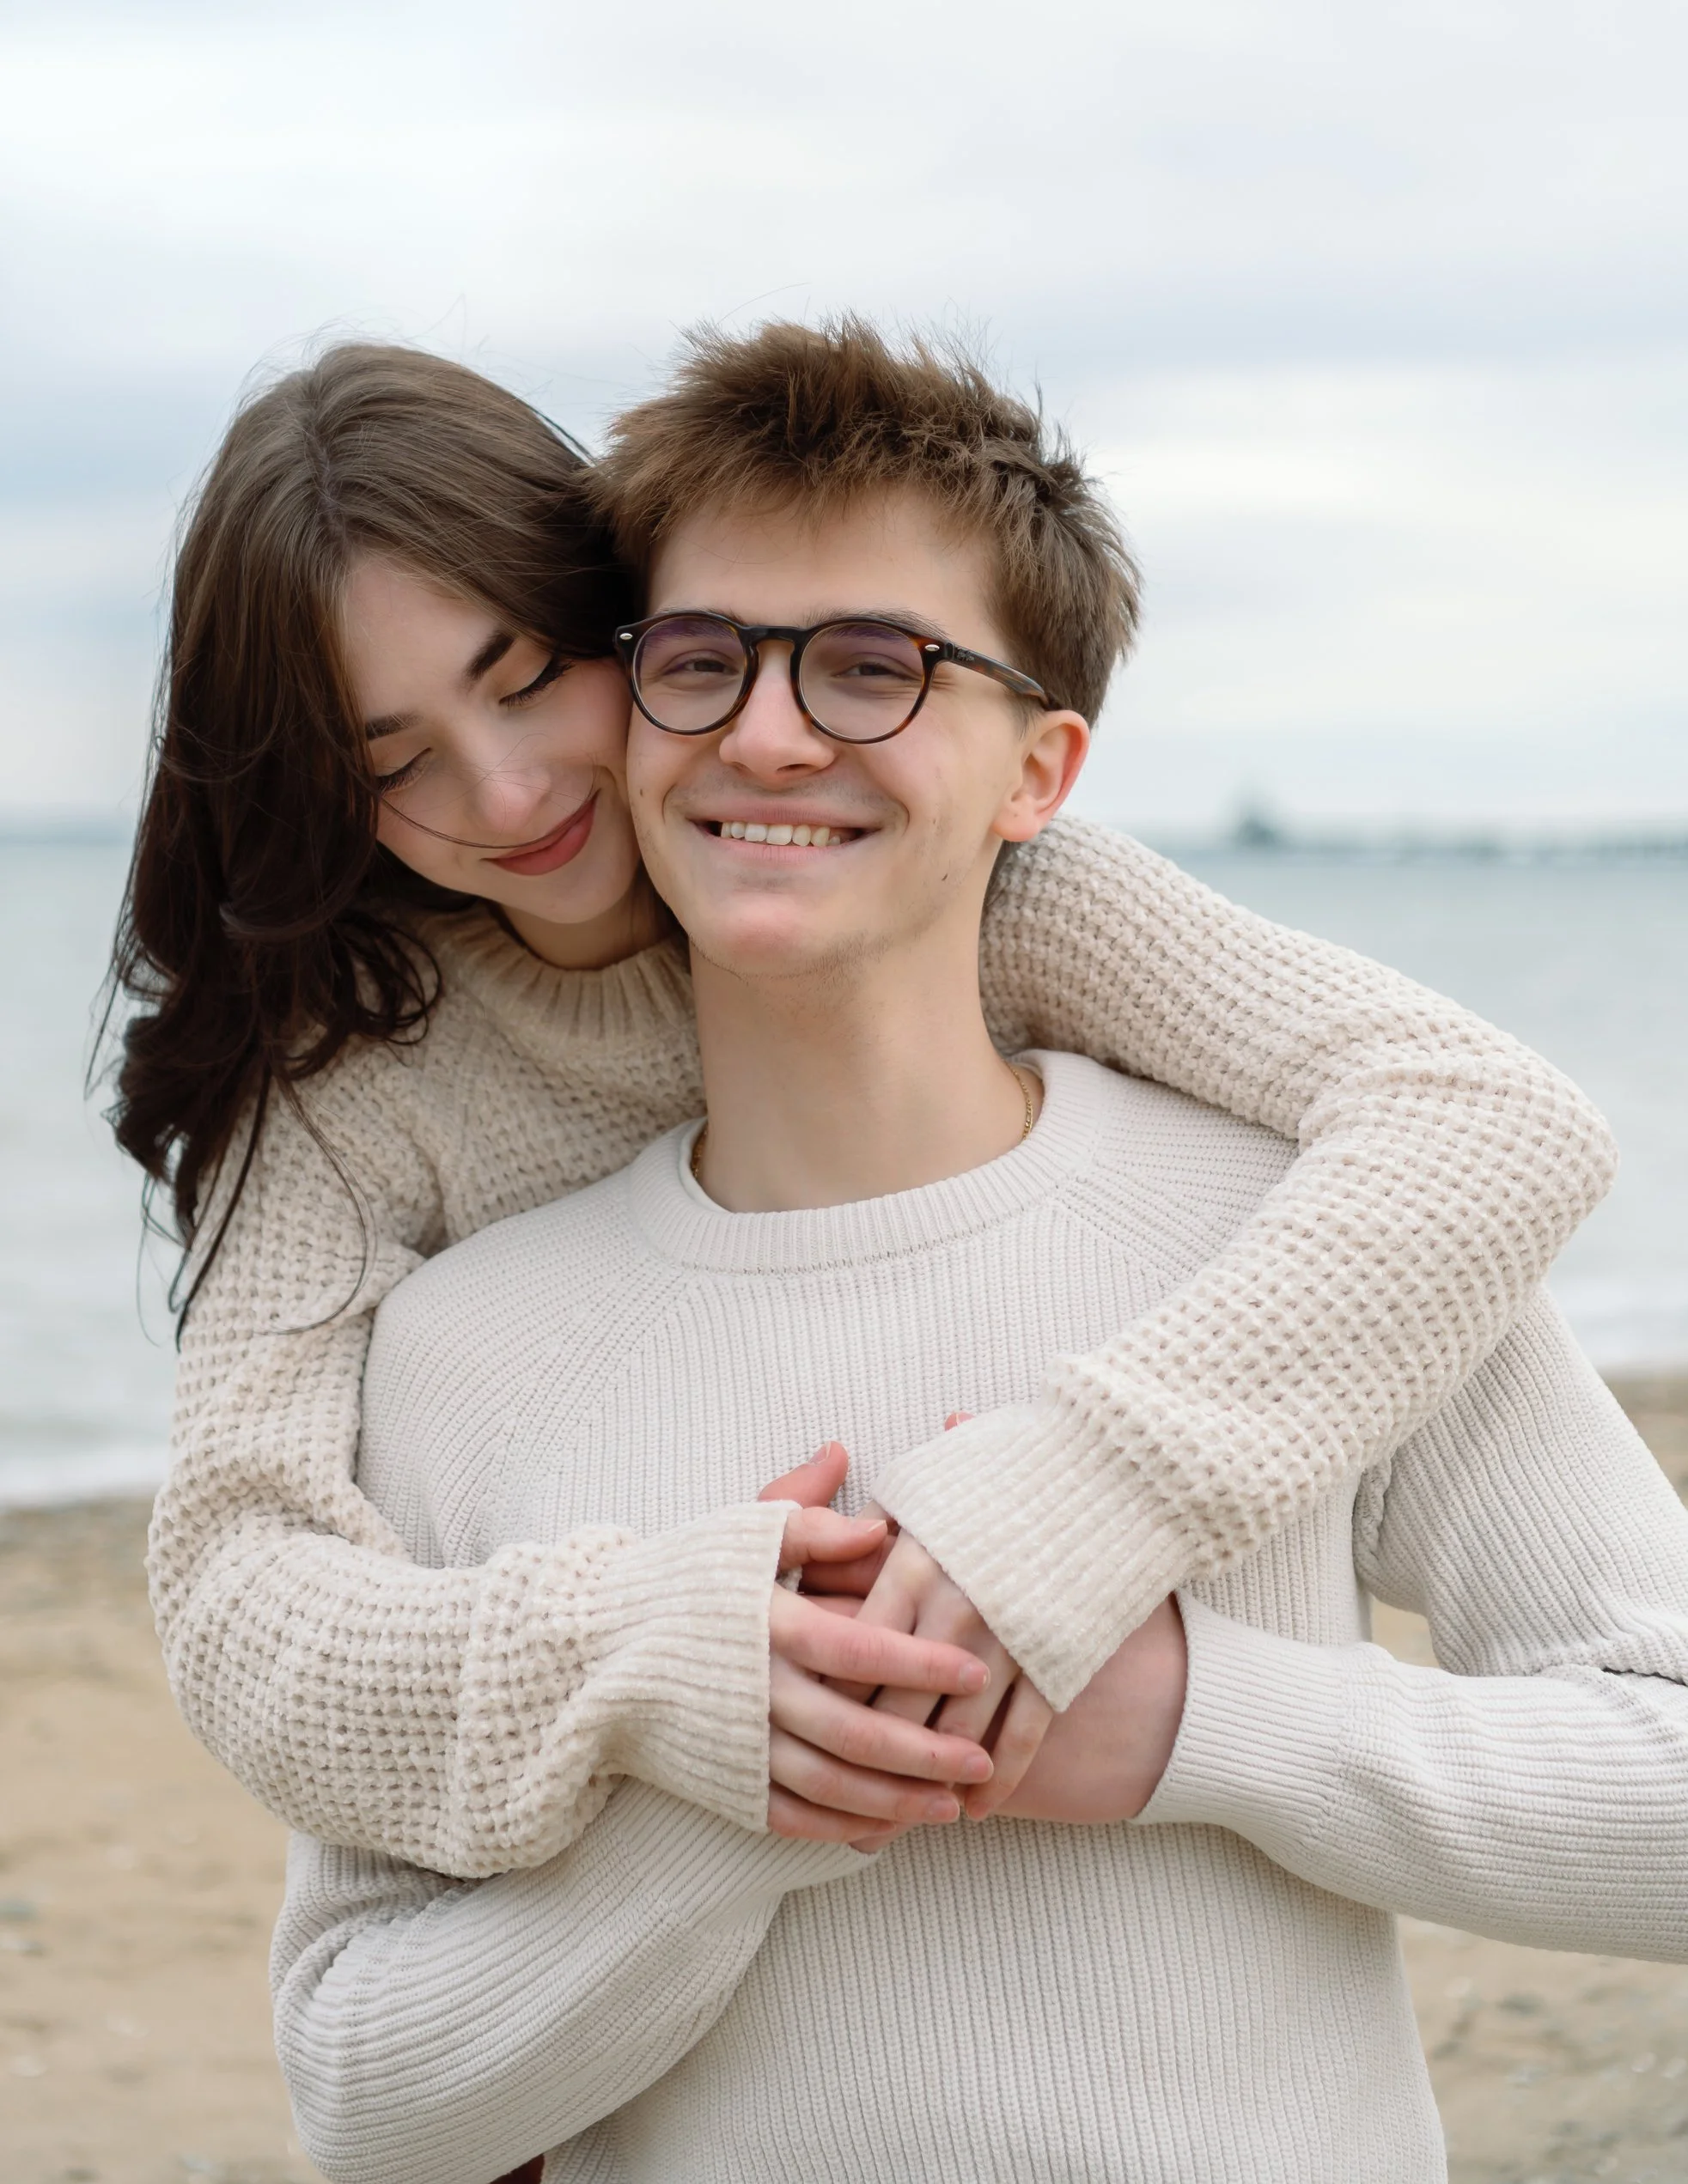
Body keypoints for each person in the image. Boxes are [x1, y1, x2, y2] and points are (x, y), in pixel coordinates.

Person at [269, 321, 1688, 2184]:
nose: (769, 729)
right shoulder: (464, 1343)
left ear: (1041, 769)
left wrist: (1205, 1718)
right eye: (700, 663)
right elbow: (362, 2096)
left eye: (875, 666)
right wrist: (750, 1794)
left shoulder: (1322, 1241)